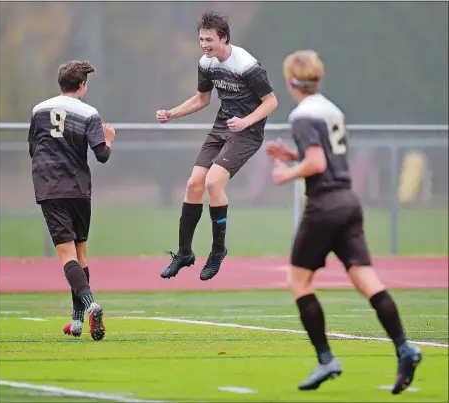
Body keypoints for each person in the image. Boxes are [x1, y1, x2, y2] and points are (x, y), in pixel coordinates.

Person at [266, 50, 422, 394]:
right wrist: (295, 154)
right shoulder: (332, 109)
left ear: (292, 82)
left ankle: (326, 359)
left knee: (298, 281)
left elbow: (318, 163)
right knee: (366, 280)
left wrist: (286, 173)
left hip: (324, 205)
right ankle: (404, 347)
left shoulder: (302, 115)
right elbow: (331, 157)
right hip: (349, 202)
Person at [156, 11, 277, 281]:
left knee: (213, 183)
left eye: (209, 39)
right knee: (193, 184)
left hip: (248, 132)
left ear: (224, 38)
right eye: (201, 39)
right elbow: (202, 100)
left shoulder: (246, 65)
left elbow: (271, 102)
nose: (204, 44)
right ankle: (185, 253)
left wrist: (245, 122)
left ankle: (217, 250)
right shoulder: (206, 63)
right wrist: (172, 114)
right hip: (222, 128)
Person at [28, 60, 115, 341]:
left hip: (50, 187)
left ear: (60, 83)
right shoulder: (90, 113)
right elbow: (102, 155)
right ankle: (77, 321)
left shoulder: (39, 110)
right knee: (81, 255)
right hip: (79, 188)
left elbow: (33, 148)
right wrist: (109, 139)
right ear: (82, 85)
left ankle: (90, 305)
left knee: (67, 257)